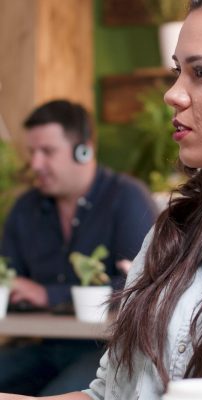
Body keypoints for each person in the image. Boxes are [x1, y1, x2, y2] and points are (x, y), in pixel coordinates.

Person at [0, 0, 202, 399]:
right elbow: (107, 394)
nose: (172, 95)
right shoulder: (172, 233)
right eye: (179, 72)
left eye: (201, 72)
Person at [0, 99, 158, 396]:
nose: (35, 164)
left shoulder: (126, 199)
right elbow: (9, 276)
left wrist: (48, 295)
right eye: (32, 153)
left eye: (47, 152)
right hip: (42, 346)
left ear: (83, 151)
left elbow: (145, 285)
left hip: (104, 351)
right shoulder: (25, 208)